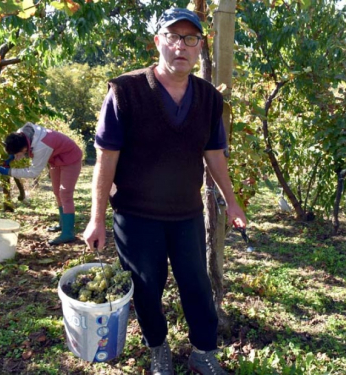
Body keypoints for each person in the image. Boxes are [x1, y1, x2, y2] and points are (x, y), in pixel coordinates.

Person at [83, 7, 246, 375]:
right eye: (172, 37)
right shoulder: (125, 91)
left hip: (186, 212)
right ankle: (158, 348)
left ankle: (203, 352)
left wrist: (232, 203)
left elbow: (215, 155)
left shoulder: (208, 99)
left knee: (197, 286)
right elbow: (106, 157)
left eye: (190, 39)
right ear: (158, 42)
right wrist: (96, 220)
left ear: (200, 46)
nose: (181, 46)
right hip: (136, 216)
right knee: (146, 289)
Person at [1, 122, 82, 245]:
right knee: (57, 192)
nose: (18, 156)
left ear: (24, 149)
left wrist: (8, 171)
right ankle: (63, 224)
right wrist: (11, 158)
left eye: (17, 154)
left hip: (70, 158)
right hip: (56, 159)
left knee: (65, 193)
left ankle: (68, 233)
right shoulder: (21, 135)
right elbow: (21, 149)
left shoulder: (42, 145)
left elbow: (33, 172)